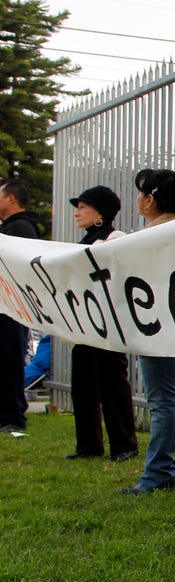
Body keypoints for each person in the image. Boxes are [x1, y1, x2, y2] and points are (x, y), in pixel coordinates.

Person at [119, 169, 175, 495]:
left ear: (150, 200)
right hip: (172, 326)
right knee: (163, 400)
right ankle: (161, 469)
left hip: (157, 328)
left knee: (161, 402)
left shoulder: (152, 237)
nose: (137, 199)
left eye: (140, 194)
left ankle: (159, 472)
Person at [65, 186, 140, 462]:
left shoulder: (113, 238)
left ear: (100, 212)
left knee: (112, 385)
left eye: (83, 206)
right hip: (85, 323)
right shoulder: (85, 241)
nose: (77, 212)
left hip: (108, 324)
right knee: (82, 385)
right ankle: (88, 444)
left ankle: (124, 444)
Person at [0, 179, 43, 433]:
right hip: (5, 306)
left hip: (12, 308)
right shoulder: (11, 227)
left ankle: (13, 416)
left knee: (9, 360)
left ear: (10, 199)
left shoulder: (21, 228)